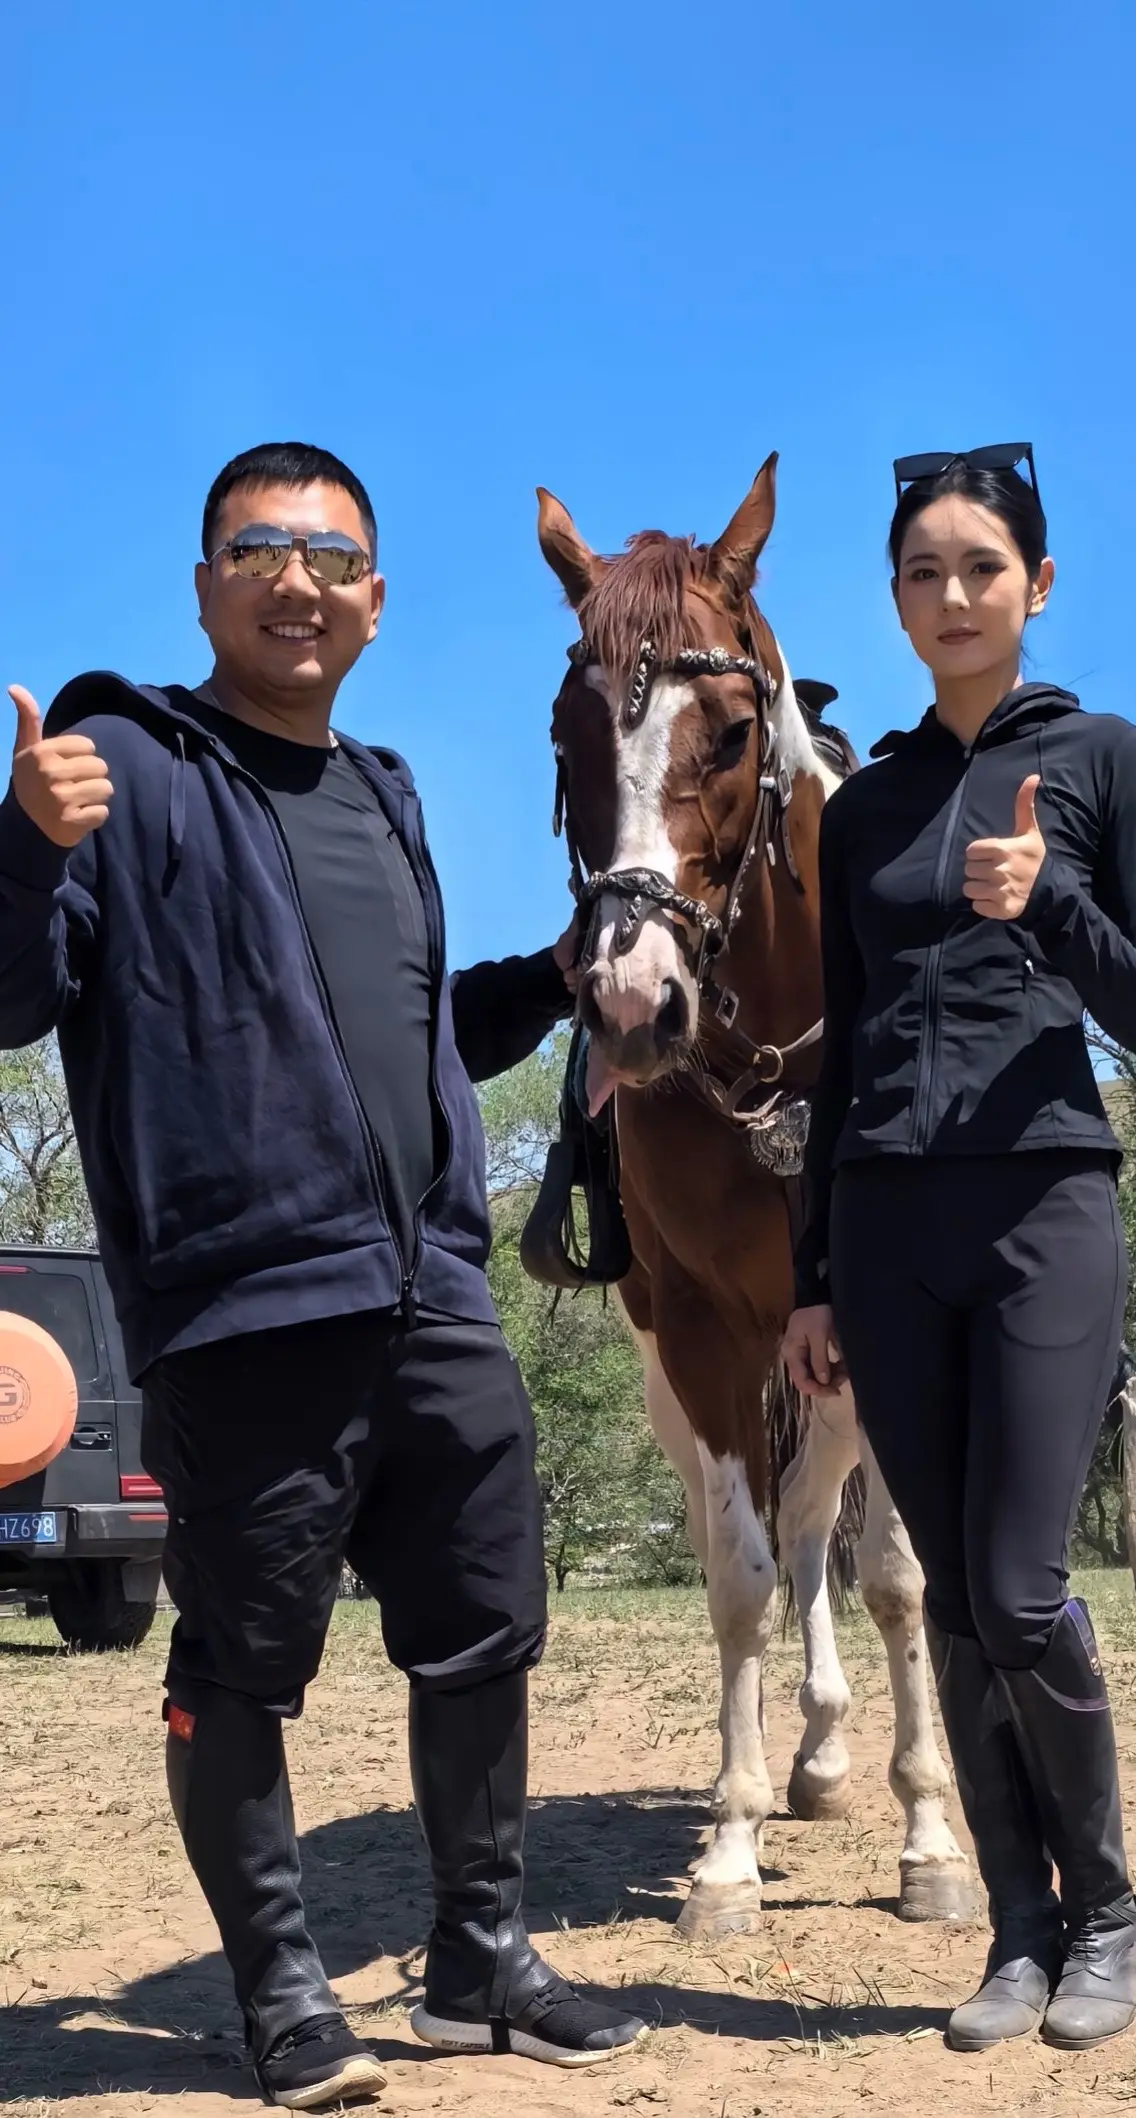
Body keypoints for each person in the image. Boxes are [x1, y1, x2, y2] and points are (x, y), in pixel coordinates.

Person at [0, 443, 644, 2109]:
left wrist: (556, 980)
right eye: (260, 548)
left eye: (333, 555)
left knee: (488, 1630)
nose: (300, 579)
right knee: (238, 1659)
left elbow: (417, 1038)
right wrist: (16, 845)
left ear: (375, 597)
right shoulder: (120, 762)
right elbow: (11, 997)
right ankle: (285, 1991)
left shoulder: (389, 790)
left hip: (431, 1284)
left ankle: (476, 1960)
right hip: (247, 1295)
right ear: (207, 581)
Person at [782, 445, 1136, 2057]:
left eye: (981, 569)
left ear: (1038, 583)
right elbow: (841, 1041)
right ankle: (1017, 1934)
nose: (951, 597)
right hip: (884, 1222)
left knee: (1022, 1583)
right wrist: (811, 1269)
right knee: (949, 1591)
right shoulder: (864, 804)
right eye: (922, 575)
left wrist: (1049, 910)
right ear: (892, 600)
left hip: (1042, 1205)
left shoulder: (1108, 759)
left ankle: (1107, 1914)